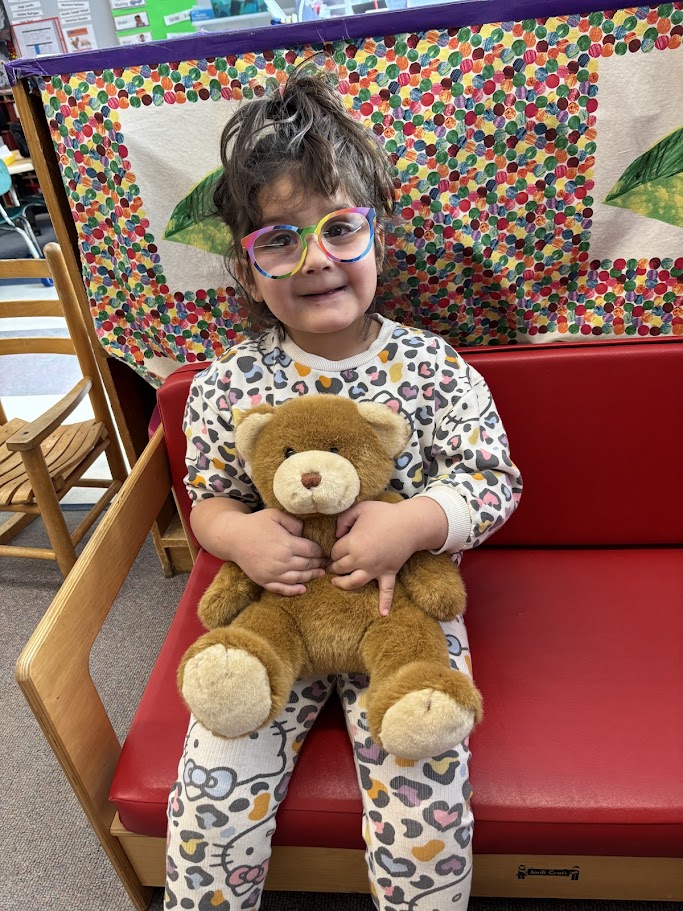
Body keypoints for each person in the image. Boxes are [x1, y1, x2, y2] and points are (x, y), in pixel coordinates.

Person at [165, 64, 522, 911]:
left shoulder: (433, 367)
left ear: (377, 240)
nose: (316, 258)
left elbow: (491, 479)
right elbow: (206, 495)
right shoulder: (226, 383)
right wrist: (237, 534)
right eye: (279, 240)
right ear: (247, 270)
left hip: (399, 614)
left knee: (424, 781)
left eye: (339, 229)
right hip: (276, 608)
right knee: (214, 779)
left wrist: (415, 523)